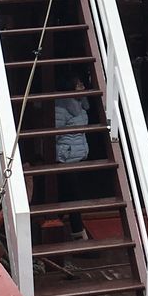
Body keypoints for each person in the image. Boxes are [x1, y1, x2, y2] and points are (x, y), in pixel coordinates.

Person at [54, 71, 91, 240]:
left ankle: (57, 222)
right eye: (78, 85)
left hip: (78, 155)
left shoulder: (81, 104)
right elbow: (55, 134)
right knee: (73, 194)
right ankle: (77, 231)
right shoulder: (61, 108)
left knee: (67, 194)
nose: (82, 87)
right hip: (66, 157)